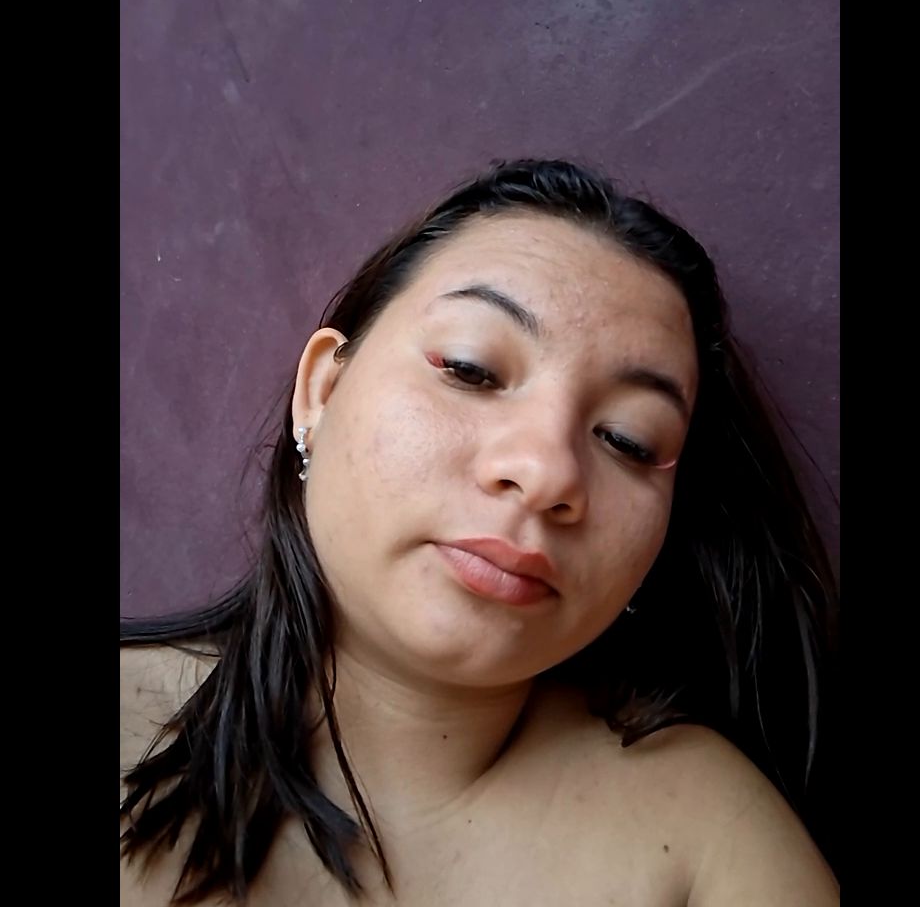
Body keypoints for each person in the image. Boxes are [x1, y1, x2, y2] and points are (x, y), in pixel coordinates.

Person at [120, 158, 839, 906]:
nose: (546, 472)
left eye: (628, 439)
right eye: (471, 369)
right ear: (322, 392)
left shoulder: (713, 844)